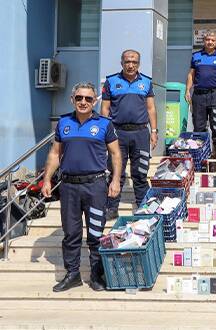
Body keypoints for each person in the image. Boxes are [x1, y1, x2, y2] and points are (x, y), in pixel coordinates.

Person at [41, 82, 122, 292]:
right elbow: (54, 154)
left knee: (96, 233)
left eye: (88, 98)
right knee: (71, 234)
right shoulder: (64, 122)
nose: (83, 102)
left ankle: (96, 275)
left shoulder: (104, 124)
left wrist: (115, 180)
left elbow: (115, 154)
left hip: (95, 186)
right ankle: (73, 274)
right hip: (68, 187)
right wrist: (47, 179)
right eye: (79, 98)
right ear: (72, 100)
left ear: (95, 101)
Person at [101, 49, 158, 220]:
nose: (130, 65)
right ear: (122, 63)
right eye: (127, 61)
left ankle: (144, 207)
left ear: (138, 64)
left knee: (140, 172)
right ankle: (112, 208)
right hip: (117, 133)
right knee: (115, 172)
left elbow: (151, 108)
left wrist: (154, 131)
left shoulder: (146, 82)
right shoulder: (111, 81)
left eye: (134, 62)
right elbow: (104, 108)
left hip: (141, 133)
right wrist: (105, 132)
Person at [185, 31, 216, 156]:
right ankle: (201, 153)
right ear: (204, 41)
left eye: (212, 40)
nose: (210, 42)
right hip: (199, 95)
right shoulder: (196, 56)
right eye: (207, 39)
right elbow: (191, 74)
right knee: (199, 127)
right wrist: (187, 90)